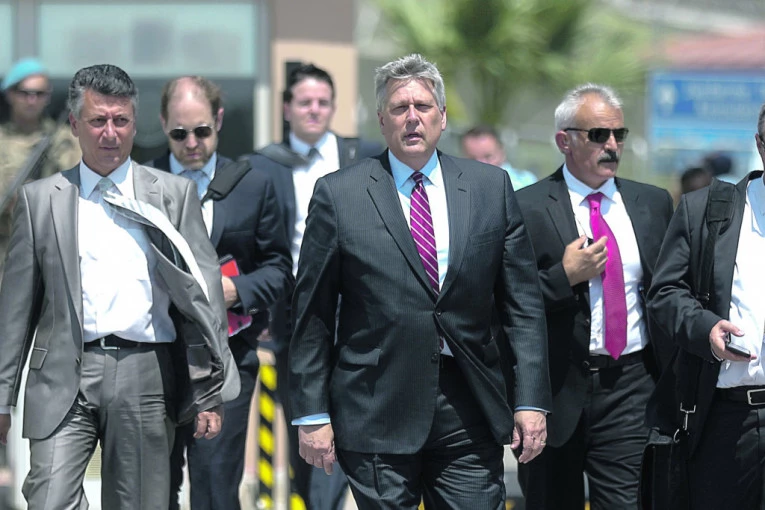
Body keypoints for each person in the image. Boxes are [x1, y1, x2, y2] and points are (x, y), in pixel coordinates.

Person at [289, 53, 551, 510]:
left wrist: (531, 400)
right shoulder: (339, 194)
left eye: (423, 106)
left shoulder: (490, 188)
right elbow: (312, 312)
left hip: (468, 404)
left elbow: (522, 306)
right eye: (399, 108)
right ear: (381, 119)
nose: (412, 117)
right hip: (375, 407)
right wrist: (312, 413)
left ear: (442, 117)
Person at [0, 64, 238, 509]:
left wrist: (209, 388)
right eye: (97, 121)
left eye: (121, 120)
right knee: (49, 499)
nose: (110, 133)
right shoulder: (41, 200)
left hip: (145, 375)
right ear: (75, 125)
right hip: (62, 375)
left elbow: (203, 300)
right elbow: (14, 312)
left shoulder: (173, 195)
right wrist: (1, 397)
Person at [514, 83, 674, 509]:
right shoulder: (526, 207)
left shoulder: (652, 203)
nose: (612, 145)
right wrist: (563, 277)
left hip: (631, 385)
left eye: (619, 134)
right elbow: (505, 304)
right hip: (554, 389)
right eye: (599, 135)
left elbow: (671, 290)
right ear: (564, 141)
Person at [145, 75, 293, 510]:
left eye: (202, 131)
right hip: (156, 357)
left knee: (214, 489)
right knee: (154, 489)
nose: (192, 143)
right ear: (163, 124)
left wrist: (233, 290)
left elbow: (279, 269)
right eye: (179, 133)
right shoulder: (142, 181)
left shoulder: (252, 184)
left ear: (219, 121)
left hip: (226, 357)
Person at [246, 63, 382, 510]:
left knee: (353, 416)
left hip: (357, 308)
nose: (315, 110)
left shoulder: (363, 156)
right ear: (287, 108)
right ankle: (313, 499)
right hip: (295, 313)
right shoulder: (262, 165)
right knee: (304, 420)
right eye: (305, 102)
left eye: (323, 102)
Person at [645, 103, 765, 509]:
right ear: (760, 145)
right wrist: (705, 329)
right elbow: (665, 293)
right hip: (729, 421)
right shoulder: (708, 211)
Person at [0, 57, 81, 272]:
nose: (32, 100)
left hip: (52, 250)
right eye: (25, 93)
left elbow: (79, 188)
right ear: (9, 94)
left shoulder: (64, 139)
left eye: (39, 93)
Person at [460, 124, 537, 190]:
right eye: (473, 159)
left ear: (502, 151)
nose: (481, 164)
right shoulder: (459, 187)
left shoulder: (525, 183)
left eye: (488, 157)